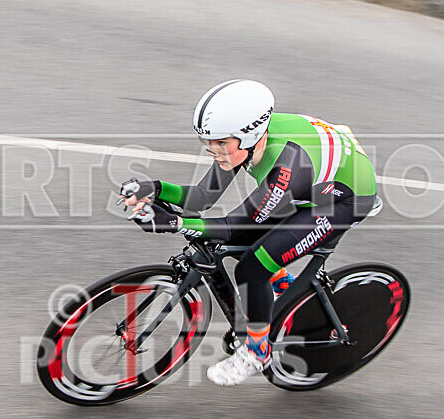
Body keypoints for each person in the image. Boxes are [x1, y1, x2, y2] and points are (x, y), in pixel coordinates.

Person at [119, 79, 377, 386]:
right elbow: (203, 197)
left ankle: (257, 352)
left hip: (342, 201)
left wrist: (174, 223)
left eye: (220, 144)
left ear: (249, 136)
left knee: (252, 267)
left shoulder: (287, 166)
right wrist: (156, 188)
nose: (214, 152)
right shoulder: (240, 144)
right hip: (317, 179)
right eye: (208, 144)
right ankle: (283, 286)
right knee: (248, 240)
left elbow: (235, 225)